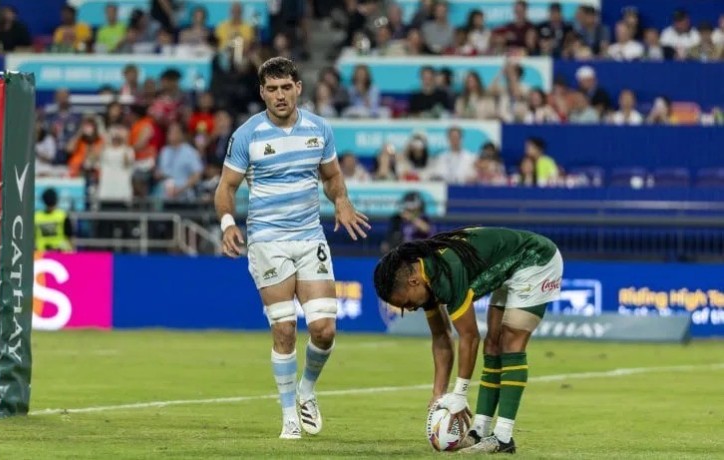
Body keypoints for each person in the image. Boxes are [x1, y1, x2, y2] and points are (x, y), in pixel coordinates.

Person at [214, 57, 370, 440]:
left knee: (325, 330)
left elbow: (332, 177)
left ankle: (306, 391)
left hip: (309, 237)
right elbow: (226, 188)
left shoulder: (320, 129)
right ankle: (288, 417)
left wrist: (343, 201)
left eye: (286, 87)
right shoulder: (247, 135)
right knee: (284, 330)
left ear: (298, 87)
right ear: (262, 92)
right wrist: (228, 223)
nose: (280, 95)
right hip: (267, 241)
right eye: (272, 89)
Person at [372, 226, 564, 454]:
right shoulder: (426, 281)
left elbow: (469, 336)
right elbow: (442, 338)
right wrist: (439, 393)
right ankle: (479, 433)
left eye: (405, 303)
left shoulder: (446, 272)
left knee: (510, 341)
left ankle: (503, 437)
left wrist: (460, 394)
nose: (409, 309)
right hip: (509, 268)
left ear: (413, 281)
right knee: (492, 345)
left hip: (535, 259)